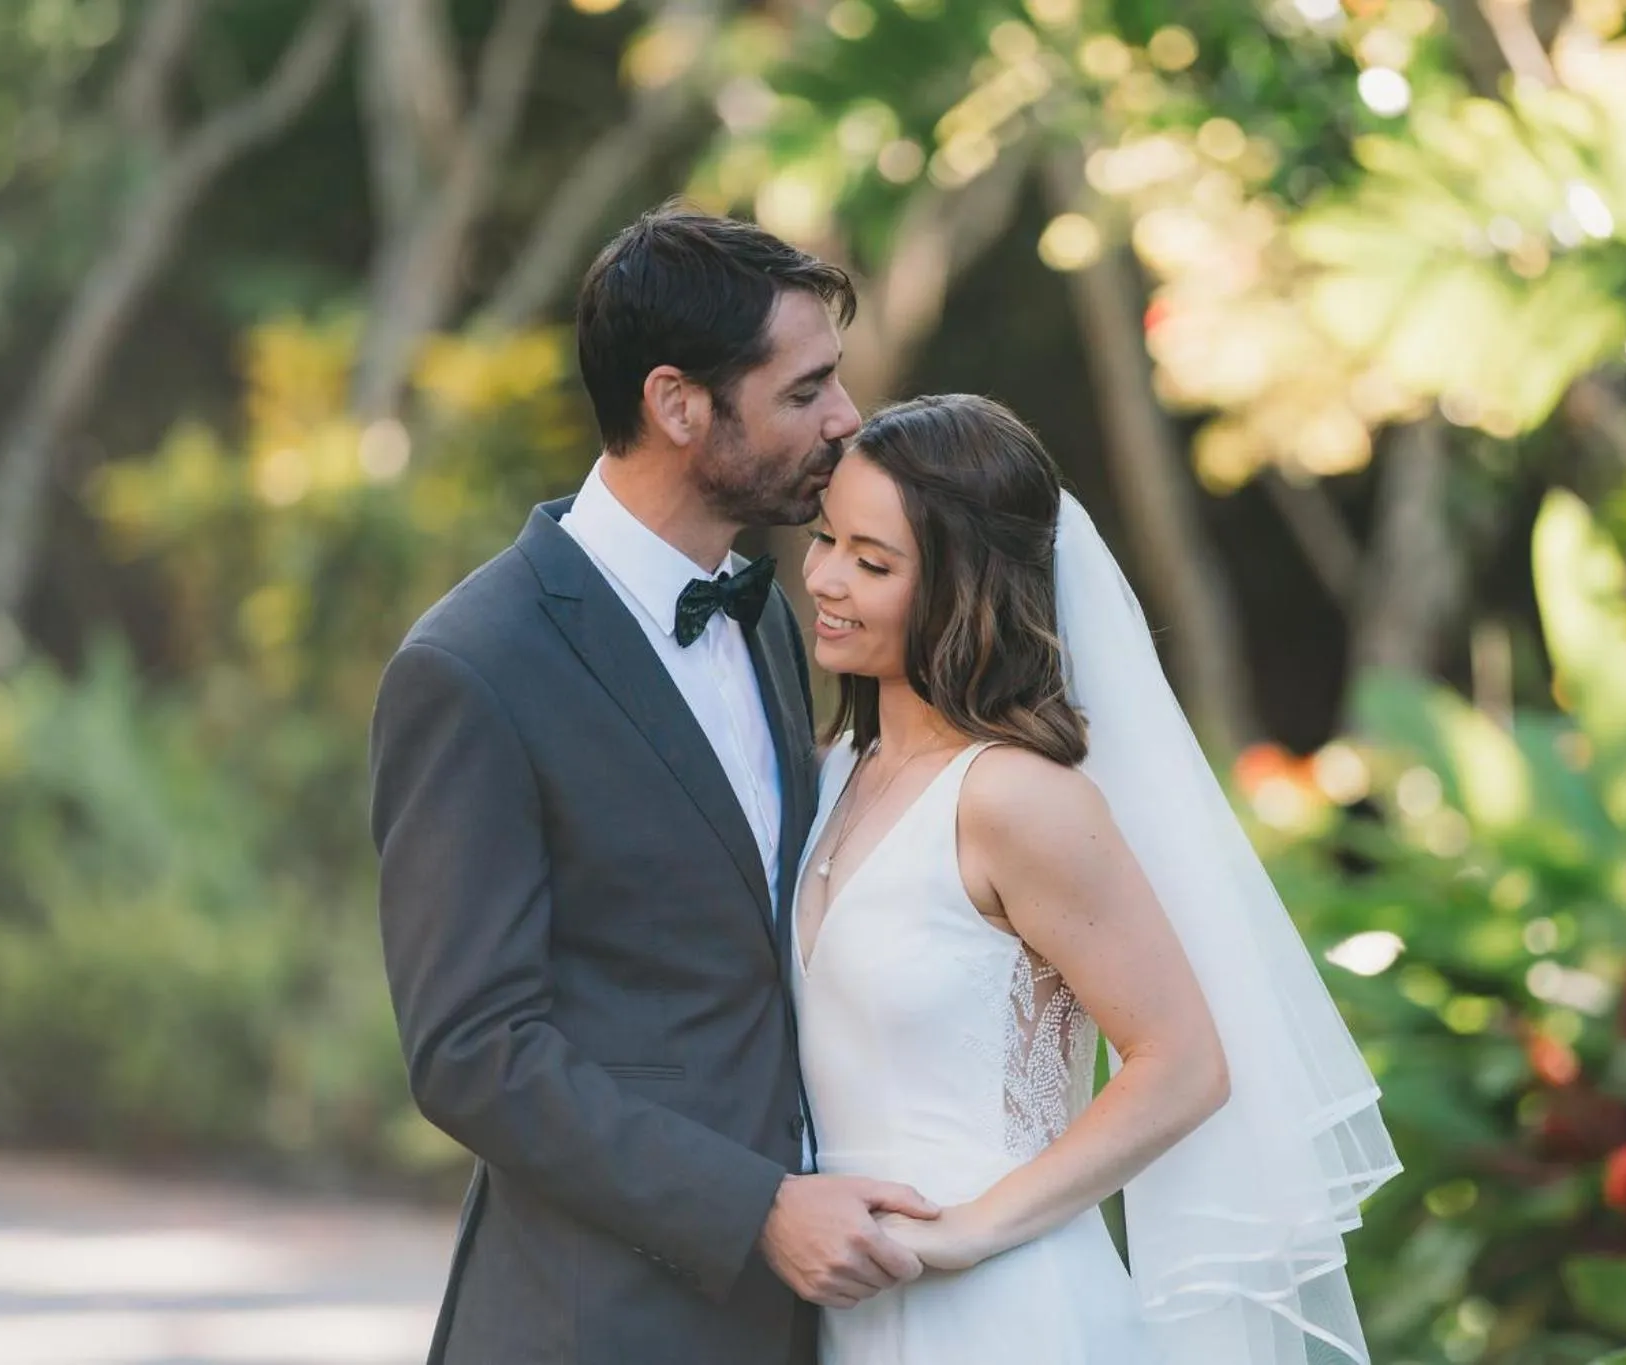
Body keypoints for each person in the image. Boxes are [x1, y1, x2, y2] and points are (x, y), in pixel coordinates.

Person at [368, 204, 939, 1365]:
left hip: (813, 1314)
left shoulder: (772, 614)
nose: (846, 420)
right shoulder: (472, 666)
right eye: (803, 392)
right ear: (677, 404)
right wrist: (754, 1209)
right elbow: (471, 1051)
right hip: (598, 1318)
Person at [792, 393, 1403, 1364]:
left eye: (871, 562)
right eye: (825, 539)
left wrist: (968, 1229)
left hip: (1002, 1310)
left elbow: (1183, 1063)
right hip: (842, 1305)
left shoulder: (1015, 800)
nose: (823, 577)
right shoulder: (830, 772)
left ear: (965, 586)